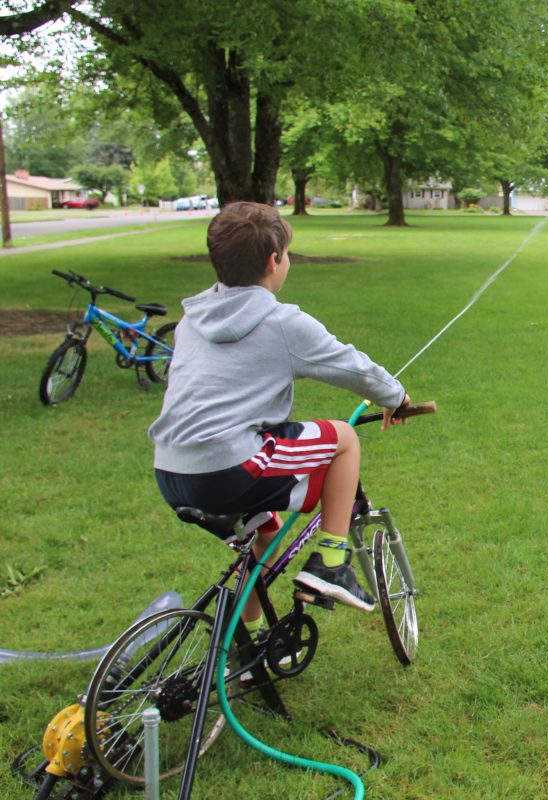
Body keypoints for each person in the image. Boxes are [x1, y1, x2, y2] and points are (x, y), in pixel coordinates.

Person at [148, 201, 411, 628]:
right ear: (274, 261)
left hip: (170, 471)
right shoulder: (281, 321)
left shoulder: (190, 320)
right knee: (344, 438)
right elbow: (353, 367)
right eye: (287, 253)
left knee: (265, 532)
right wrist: (396, 396)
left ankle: (248, 641)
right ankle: (331, 560)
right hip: (227, 466)